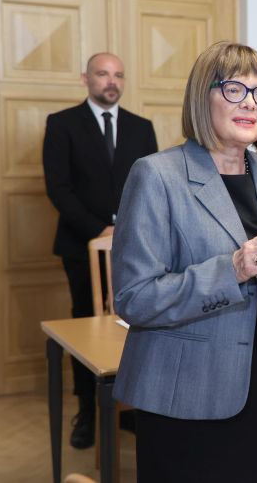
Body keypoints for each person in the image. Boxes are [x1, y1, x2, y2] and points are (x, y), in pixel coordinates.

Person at [110, 41, 257, 483]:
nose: (251, 104)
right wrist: (231, 270)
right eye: (235, 90)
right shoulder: (156, 175)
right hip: (184, 391)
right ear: (202, 97)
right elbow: (134, 298)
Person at [42, 52, 158, 449]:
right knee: (86, 327)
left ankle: (130, 406)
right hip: (79, 243)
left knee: (136, 321)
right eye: (103, 74)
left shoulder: (141, 127)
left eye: (118, 75)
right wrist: (100, 229)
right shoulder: (62, 124)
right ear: (85, 78)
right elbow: (58, 188)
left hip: (135, 245)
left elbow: (152, 187)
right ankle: (87, 413)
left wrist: (127, 230)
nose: (112, 81)